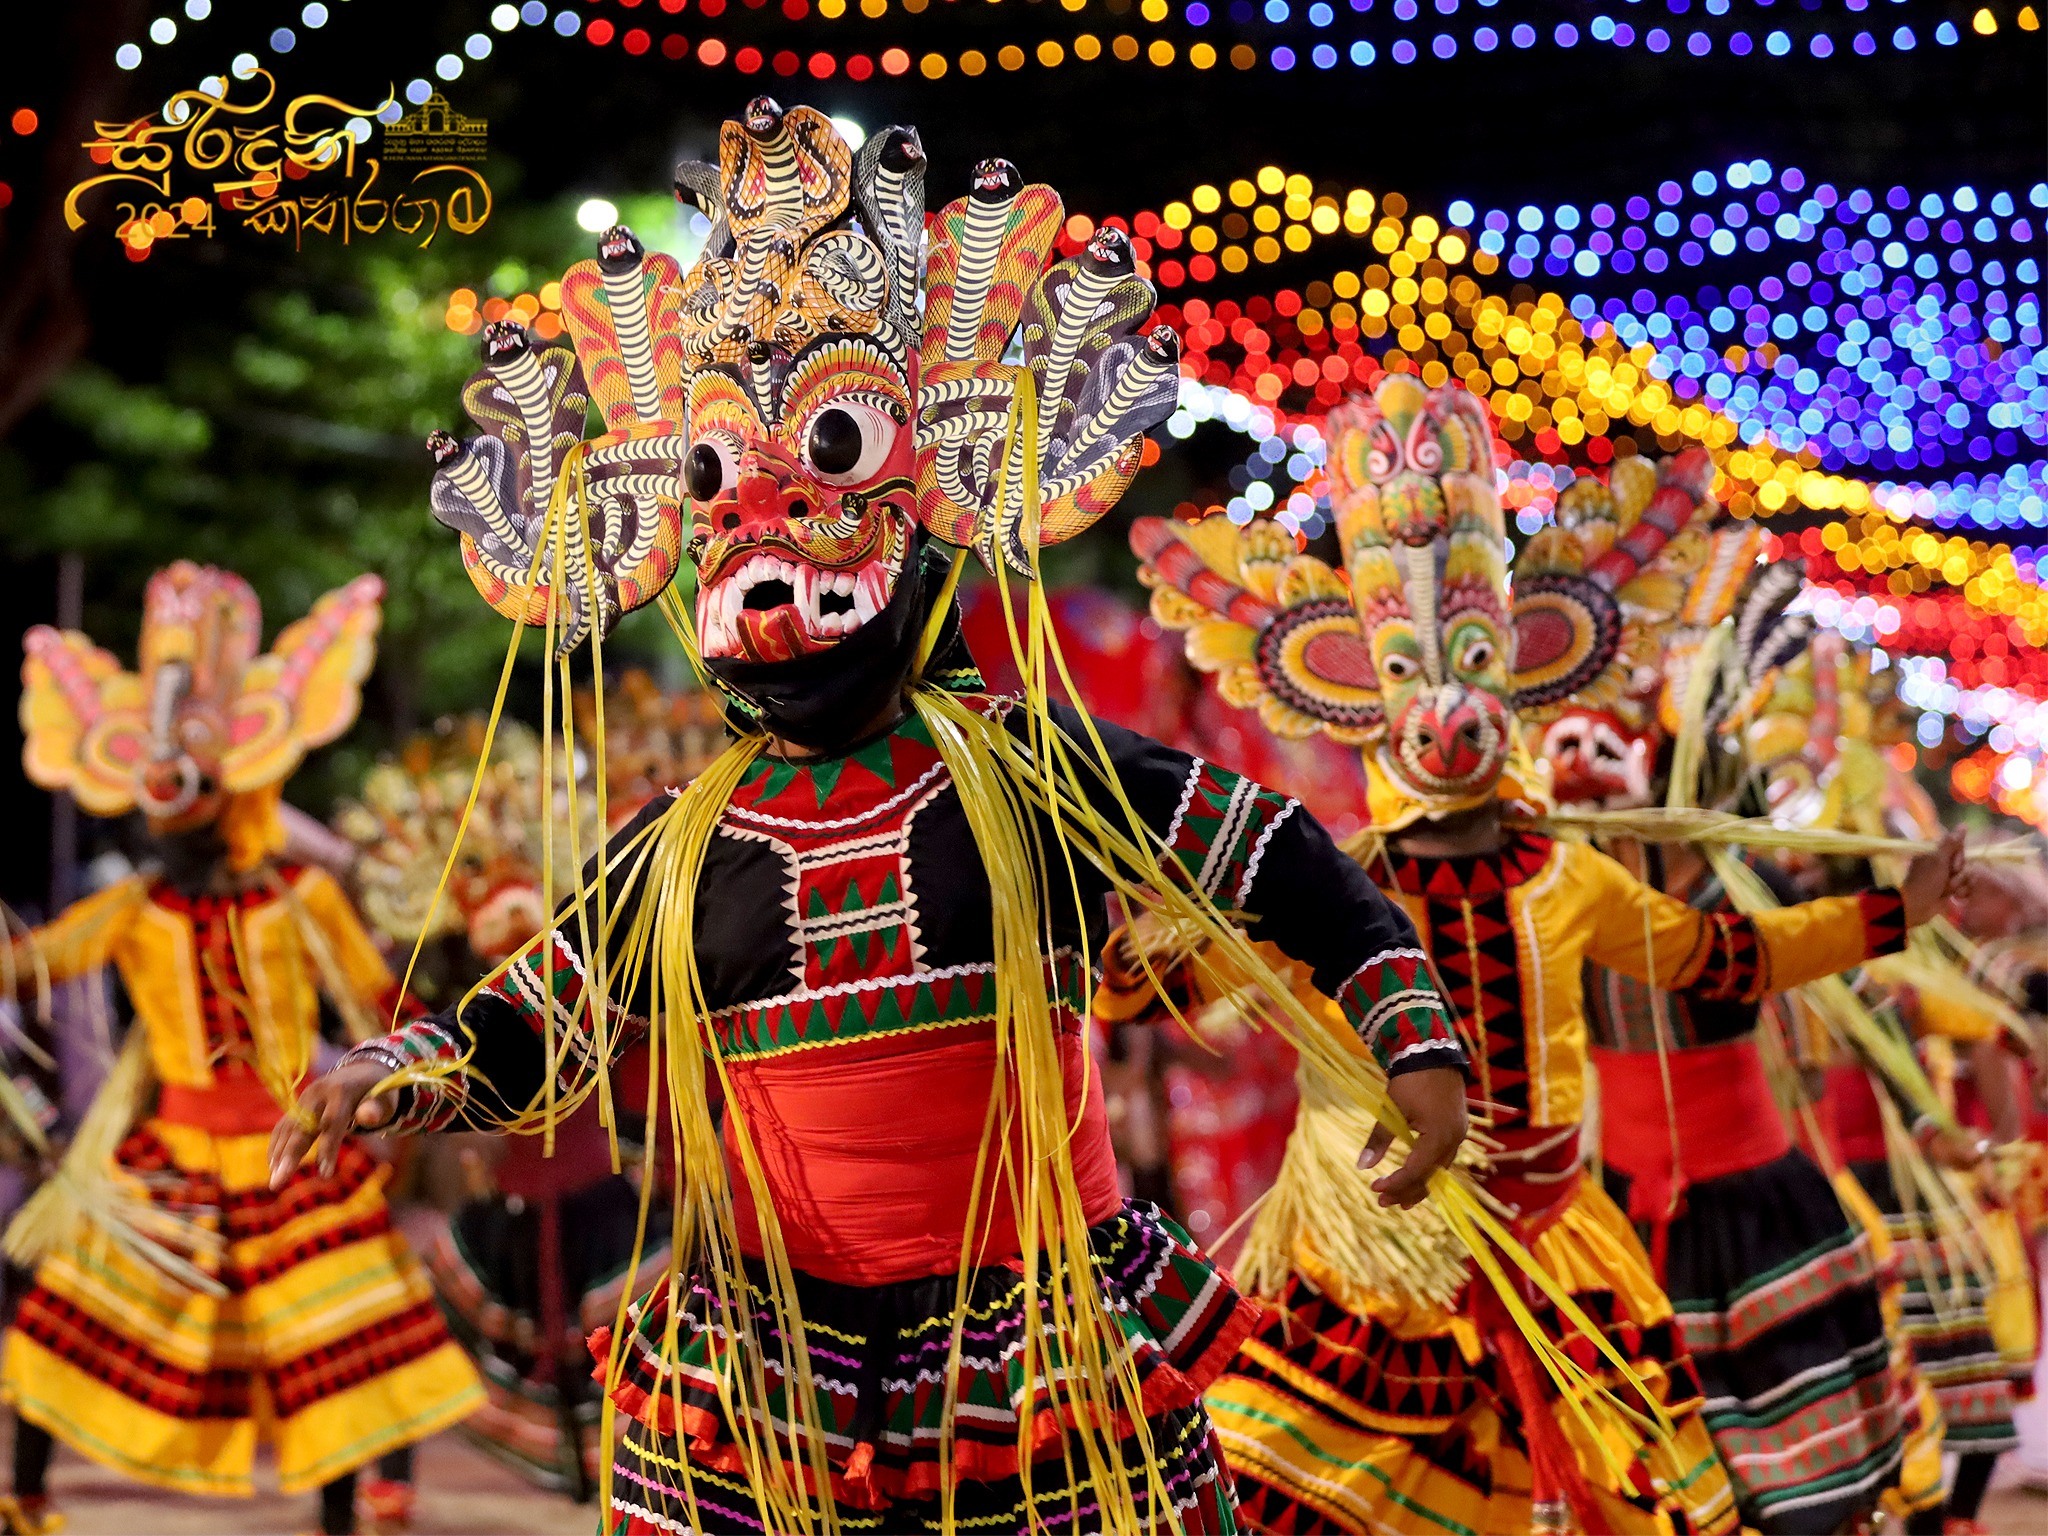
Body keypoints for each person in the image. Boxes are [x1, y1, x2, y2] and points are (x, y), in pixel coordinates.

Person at [275, 96, 1471, 1535]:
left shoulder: (1027, 772)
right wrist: (392, 1070)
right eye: (718, 481)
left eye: (830, 455)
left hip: (1036, 1353)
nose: (770, 531)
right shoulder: (680, 846)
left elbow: (1276, 856)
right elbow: (537, 1023)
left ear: (927, 490)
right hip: (767, 1378)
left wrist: (1413, 1040)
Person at [1132, 373, 1968, 1536]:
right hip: (1377, 1260)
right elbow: (1186, 982)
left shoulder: (1568, 877)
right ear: (1350, 683)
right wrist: (1113, 949)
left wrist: (1887, 915)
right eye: (1406, 673)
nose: (1444, 712)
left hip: (1552, 1244)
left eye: (1471, 659)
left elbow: (1723, 959)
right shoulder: (1330, 881)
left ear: (1528, 662)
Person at [0, 563, 482, 1536]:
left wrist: (439, 1036)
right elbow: (30, 965)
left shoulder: (300, 899)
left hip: (294, 1149)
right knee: (72, 1312)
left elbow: (379, 1002)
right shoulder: (130, 909)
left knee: (344, 1331)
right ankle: (27, 1497)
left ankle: (348, 1513)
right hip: (170, 1159)